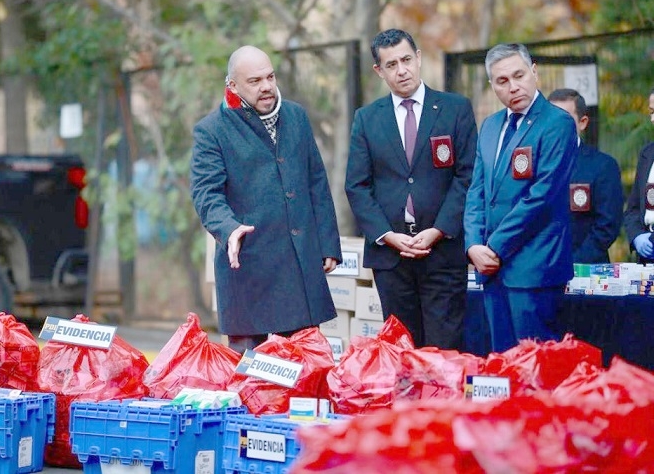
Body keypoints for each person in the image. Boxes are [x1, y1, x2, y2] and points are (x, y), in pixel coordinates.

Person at [190, 45, 341, 354]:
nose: (267, 87)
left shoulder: (296, 116)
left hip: (299, 267)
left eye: (270, 77)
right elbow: (207, 194)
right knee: (250, 380)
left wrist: (327, 244)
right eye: (255, 81)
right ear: (232, 85)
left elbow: (316, 182)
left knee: (306, 369)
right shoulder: (211, 130)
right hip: (248, 269)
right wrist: (229, 229)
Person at [345, 28, 477, 349]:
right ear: (379, 71)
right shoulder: (367, 119)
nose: (401, 70)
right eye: (391, 65)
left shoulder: (454, 109)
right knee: (402, 349)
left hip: (442, 252)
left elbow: (467, 176)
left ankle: (440, 402)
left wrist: (439, 230)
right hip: (391, 257)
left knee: (443, 349)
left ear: (418, 58)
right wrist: (387, 236)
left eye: (406, 59)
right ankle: (407, 402)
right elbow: (357, 186)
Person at [464, 43, 578, 353]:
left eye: (519, 75)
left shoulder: (557, 123)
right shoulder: (490, 127)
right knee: (503, 365)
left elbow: (542, 196)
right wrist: (473, 245)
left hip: (535, 267)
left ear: (534, 72)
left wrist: (494, 247)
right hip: (492, 270)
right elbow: (476, 191)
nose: (513, 87)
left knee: (536, 369)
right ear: (493, 86)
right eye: (502, 81)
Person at [548, 88, 623, 264]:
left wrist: (572, 263)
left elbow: (607, 226)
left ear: (582, 122)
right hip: (537, 272)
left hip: (584, 270)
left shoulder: (602, 166)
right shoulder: (533, 164)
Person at [623, 87, 654, 263]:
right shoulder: (647, 154)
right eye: (651, 112)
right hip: (646, 256)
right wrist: (637, 237)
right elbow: (633, 208)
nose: (653, 119)